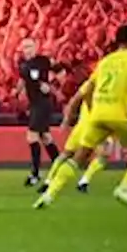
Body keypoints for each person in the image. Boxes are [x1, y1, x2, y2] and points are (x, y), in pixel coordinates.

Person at [35, 25, 127, 210]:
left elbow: (86, 90)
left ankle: (50, 194)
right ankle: (124, 188)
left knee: (77, 157)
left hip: (97, 114)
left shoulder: (105, 61)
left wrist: (73, 115)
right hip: (119, 114)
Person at [37, 67, 108, 195]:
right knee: (103, 155)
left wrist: (66, 120)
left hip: (81, 126)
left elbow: (74, 101)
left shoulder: (89, 85)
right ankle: (84, 181)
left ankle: (48, 181)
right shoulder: (107, 88)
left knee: (66, 154)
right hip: (96, 126)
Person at [18, 39, 61, 187]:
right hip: (34, 104)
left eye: (29, 46)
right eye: (24, 47)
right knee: (46, 137)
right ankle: (59, 166)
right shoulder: (23, 64)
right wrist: (16, 92)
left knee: (32, 136)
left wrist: (52, 85)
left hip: (43, 104)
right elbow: (23, 80)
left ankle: (35, 174)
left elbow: (61, 70)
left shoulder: (43, 61)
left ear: (36, 47)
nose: (26, 50)